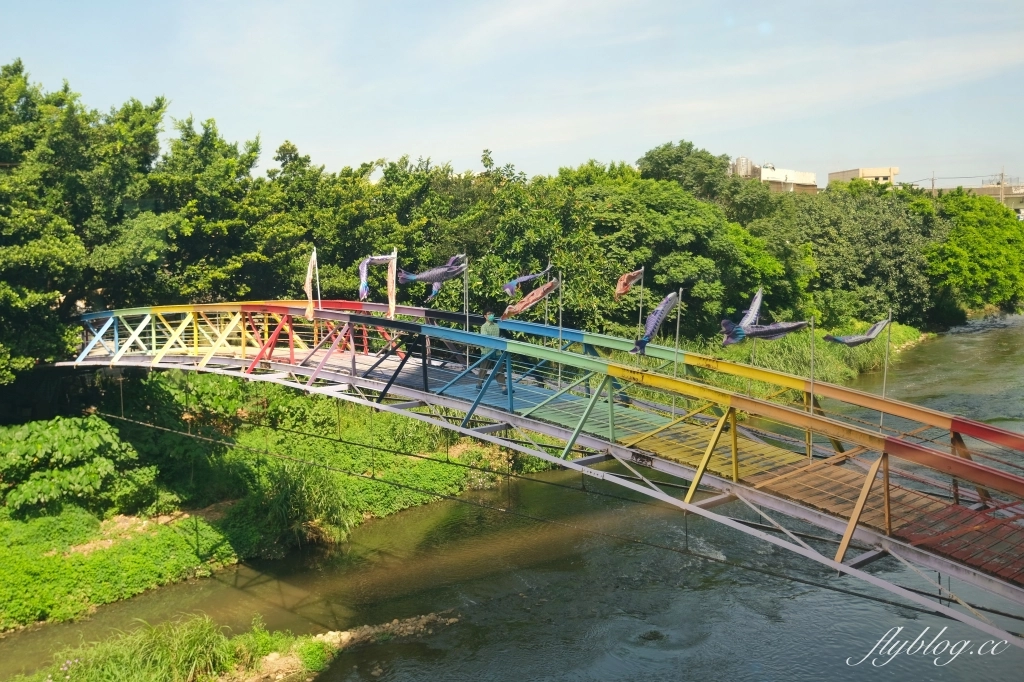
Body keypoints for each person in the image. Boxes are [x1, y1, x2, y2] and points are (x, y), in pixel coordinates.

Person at [476, 311, 507, 392]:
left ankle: (504, 388)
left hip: (497, 351)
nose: (491, 315)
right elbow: (486, 337)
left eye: (492, 314)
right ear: (485, 316)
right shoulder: (484, 327)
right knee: (484, 368)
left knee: (499, 369)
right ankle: (479, 384)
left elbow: (498, 336)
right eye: (489, 314)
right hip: (487, 351)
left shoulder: (497, 326)